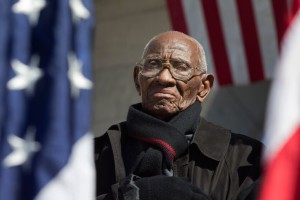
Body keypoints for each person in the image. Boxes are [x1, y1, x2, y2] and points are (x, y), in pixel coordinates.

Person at [95, 31, 263, 200]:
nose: (164, 77)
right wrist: (138, 194)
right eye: (153, 64)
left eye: (181, 67)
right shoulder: (91, 156)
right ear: (138, 81)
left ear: (203, 88)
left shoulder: (246, 159)